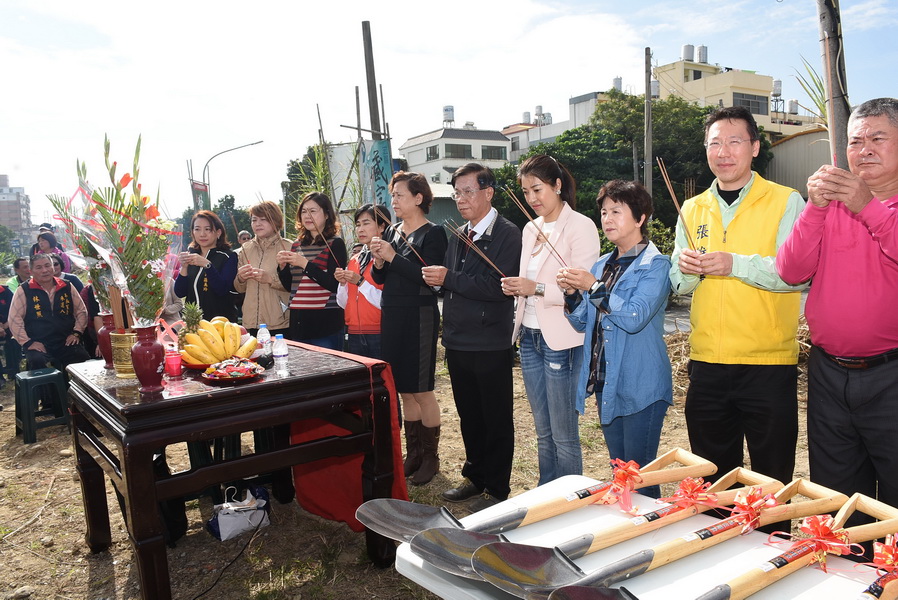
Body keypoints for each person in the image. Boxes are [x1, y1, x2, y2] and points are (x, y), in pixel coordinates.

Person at [776, 98, 898, 528]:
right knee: (838, 497)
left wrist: (868, 207)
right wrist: (815, 206)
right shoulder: (831, 206)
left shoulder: (870, 204)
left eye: (877, 139)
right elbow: (790, 270)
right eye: (855, 141)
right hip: (829, 373)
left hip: (892, 375)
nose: (864, 150)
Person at [670, 106, 806, 488]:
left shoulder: (786, 200)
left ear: (755, 147)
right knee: (713, 481)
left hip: (768, 364)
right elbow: (678, 285)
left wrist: (735, 264)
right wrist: (686, 269)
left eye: (734, 142)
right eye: (715, 143)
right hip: (707, 364)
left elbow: (795, 274)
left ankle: (770, 531)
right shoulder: (692, 207)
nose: (724, 152)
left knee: (771, 481)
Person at [559, 180, 672, 498]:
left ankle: (649, 524)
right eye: (604, 212)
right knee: (620, 470)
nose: (607, 219)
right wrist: (572, 294)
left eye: (616, 212)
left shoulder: (655, 265)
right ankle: (629, 522)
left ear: (640, 218)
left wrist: (593, 287)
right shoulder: (602, 265)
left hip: (641, 383)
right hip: (607, 382)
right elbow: (583, 322)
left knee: (639, 475)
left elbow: (634, 317)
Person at [421, 163, 522, 509]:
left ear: (488, 193)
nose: (461, 199)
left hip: (490, 342)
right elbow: (453, 284)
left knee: (496, 418)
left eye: (468, 191)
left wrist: (448, 278)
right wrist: (440, 281)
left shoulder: (508, 233)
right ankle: (475, 477)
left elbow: (499, 286)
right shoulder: (459, 234)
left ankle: (497, 488)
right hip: (458, 340)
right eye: (456, 193)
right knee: (470, 416)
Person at [500, 154, 600, 484]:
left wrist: (536, 288)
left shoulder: (580, 225)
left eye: (537, 189)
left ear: (557, 185)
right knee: (542, 431)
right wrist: (517, 288)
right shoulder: (531, 228)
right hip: (529, 336)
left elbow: (582, 289)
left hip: (561, 338)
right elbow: (528, 281)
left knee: (564, 434)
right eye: (526, 192)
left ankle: (570, 500)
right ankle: (546, 493)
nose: (532, 198)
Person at [369, 174, 448, 485]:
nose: (394, 201)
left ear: (418, 198)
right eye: (392, 196)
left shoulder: (434, 233)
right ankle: (413, 453)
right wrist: (379, 263)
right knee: (404, 389)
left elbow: (429, 278)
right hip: (392, 315)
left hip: (420, 315)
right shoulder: (391, 231)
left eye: (399, 195)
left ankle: (431, 457)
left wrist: (391, 256)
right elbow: (382, 278)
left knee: (422, 389)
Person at [277, 192, 347, 349]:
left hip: (326, 324)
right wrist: (282, 267)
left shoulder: (335, 243)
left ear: (327, 214)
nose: (307, 216)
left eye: (313, 211)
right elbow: (290, 287)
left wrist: (305, 264)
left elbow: (335, 285)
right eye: (304, 211)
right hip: (299, 324)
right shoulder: (296, 245)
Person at [7, 254, 90, 372]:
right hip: (38, 341)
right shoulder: (24, 290)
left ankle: (69, 384)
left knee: (82, 359)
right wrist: (27, 342)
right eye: (39, 267)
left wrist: (77, 332)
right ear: (31, 271)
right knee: (37, 361)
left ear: (53, 267)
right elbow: (14, 319)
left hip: (65, 340)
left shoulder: (66, 286)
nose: (44, 270)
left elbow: (81, 311)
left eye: (47, 265)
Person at [335, 204, 390, 360]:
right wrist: (343, 284)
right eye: (358, 225)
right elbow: (343, 303)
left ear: (382, 227)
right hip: (353, 332)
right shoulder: (355, 260)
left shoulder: (388, 257)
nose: (360, 229)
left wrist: (360, 282)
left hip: (380, 332)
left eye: (366, 223)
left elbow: (388, 302)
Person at [234, 201, 293, 336]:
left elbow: (295, 285)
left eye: (263, 219)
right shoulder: (245, 249)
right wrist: (241, 278)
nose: (258, 224)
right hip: (251, 322)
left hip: (280, 321)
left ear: (276, 221)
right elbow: (239, 288)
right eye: (254, 220)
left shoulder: (288, 247)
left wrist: (270, 279)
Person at [174, 210, 239, 322]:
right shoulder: (191, 255)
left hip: (220, 324)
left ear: (218, 232)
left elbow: (222, 289)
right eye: (197, 229)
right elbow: (180, 292)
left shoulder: (228, 256)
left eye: (207, 229)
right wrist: (184, 267)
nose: (202, 234)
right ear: (193, 232)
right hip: (192, 323)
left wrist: (207, 265)